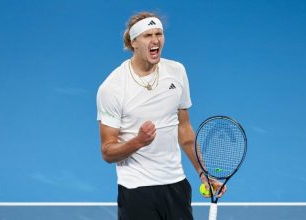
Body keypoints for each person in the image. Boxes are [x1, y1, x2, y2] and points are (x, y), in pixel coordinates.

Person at [96, 11, 226, 220]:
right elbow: (107, 152)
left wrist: (203, 174)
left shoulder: (177, 72)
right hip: (136, 190)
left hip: (176, 185)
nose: (156, 40)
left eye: (159, 33)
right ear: (133, 42)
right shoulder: (112, 88)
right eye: (148, 35)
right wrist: (138, 141)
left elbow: (184, 131)